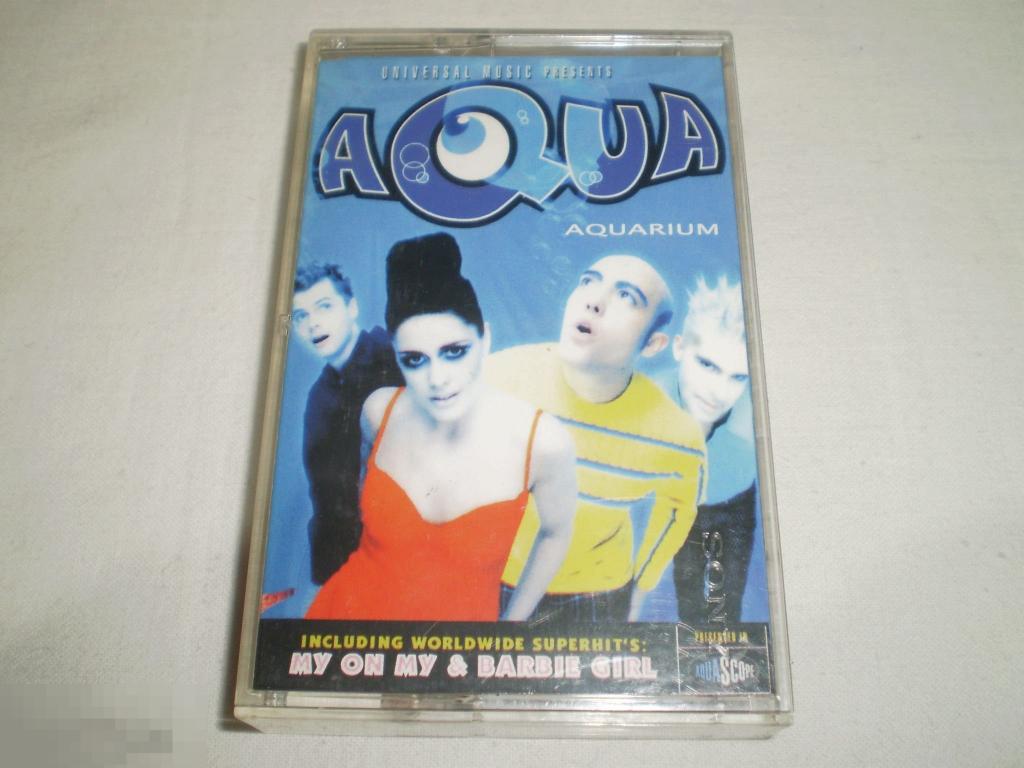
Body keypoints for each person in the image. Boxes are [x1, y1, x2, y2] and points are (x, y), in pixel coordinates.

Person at [306, 233, 576, 622]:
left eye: (454, 352)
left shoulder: (543, 441)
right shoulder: (379, 411)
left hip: (460, 644)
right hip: (346, 620)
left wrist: (511, 626)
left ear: (485, 338)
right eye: (414, 360)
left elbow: (556, 533)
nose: (437, 379)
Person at [487, 255, 707, 622]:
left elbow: (676, 515)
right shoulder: (494, 378)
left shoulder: (676, 436)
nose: (594, 301)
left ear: (653, 344)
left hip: (597, 596)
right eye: (589, 281)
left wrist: (639, 593)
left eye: (626, 297)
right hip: (487, 575)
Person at [648, 275, 758, 626]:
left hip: (730, 503)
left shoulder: (754, 424)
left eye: (737, 377)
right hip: (660, 500)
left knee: (720, 618)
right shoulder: (642, 404)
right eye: (707, 365)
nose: (718, 391)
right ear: (679, 348)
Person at [291, 263, 402, 585]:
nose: (313, 323)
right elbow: (325, 501)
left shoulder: (397, 357)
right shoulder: (318, 399)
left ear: (351, 308)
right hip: (361, 570)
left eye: (324, 307)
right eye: (300, 316)